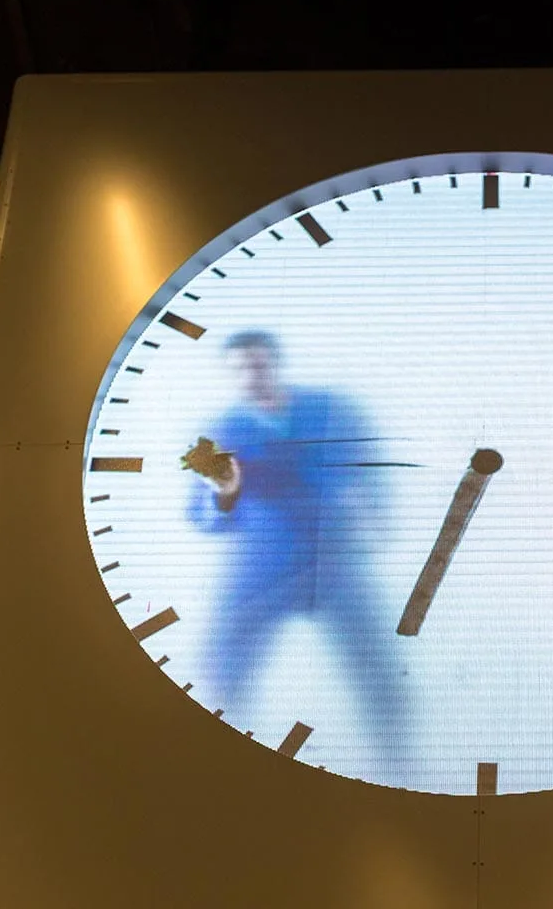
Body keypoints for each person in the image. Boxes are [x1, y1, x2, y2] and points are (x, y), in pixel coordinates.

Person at [185, 330, 406, 776]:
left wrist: (376, 512)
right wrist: (226, 492)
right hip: (260, 570)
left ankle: (400, 770)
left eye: (259, 364)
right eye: (241, 368)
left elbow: (368, 465)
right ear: (230, 375)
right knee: (222, 669)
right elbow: (201, 513)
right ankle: (213, 771)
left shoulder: (329, 407)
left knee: (380, 674)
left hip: (336, 563)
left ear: (275, 364)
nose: (252, 374)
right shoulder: (217, 435)